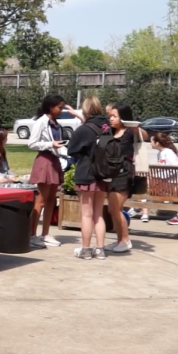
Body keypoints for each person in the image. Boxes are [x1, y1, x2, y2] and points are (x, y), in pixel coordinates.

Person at [66, 96, 110, 260]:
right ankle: (100, 249)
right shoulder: (107, 126)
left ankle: (85, 249)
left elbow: (71, 150)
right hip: (103, 175)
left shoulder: (83, 129)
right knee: (98, 214)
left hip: (86, 173)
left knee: (86, 214)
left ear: (85, 110)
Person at [27, 94, 68, 249]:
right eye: (60, 107)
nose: (61, 110)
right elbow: (32, 144)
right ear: (51, 107)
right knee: (41, 199)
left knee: (51, 199)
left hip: (55, 160)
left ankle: (45, 234)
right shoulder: (41, 122)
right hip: (44, 160)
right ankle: (32, 235)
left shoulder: (55, 123)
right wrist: (50, 144)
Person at [104, 104, 142, 253]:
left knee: (115, 208)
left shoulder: (130, 132)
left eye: (115, 116)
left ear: (123, 118)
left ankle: (125, 240)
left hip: (123, 173)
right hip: (110, 173)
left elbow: (144, 135)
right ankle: (119, 240)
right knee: (112, 210)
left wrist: (135, 127)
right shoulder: (111, 131)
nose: (111, 119)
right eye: (111, 116)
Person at [149, 133, 178, 225]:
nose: (150, 143)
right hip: (165, 182)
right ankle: (140, 207)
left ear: (157, 143)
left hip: (172, 182)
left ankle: (138, 208)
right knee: (147, 182)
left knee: (146, 184)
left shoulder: (168, 152)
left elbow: (174, 169)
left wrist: (159, 178)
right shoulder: (160, 153)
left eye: (152, 141)